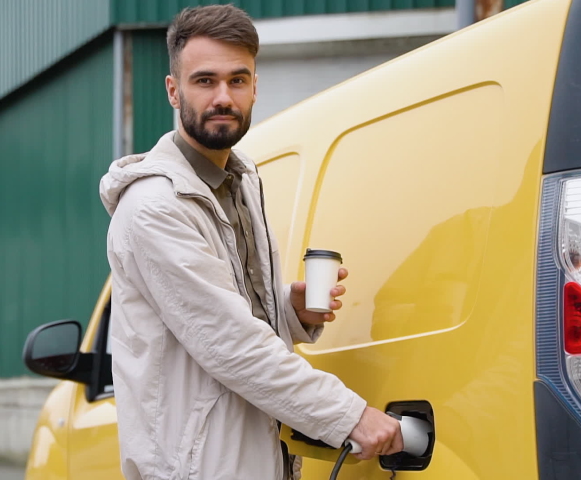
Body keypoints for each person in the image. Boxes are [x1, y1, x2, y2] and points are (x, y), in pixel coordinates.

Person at [99, 5, 402, 479]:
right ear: (173, 91)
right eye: (205, 81)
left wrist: (286, 309)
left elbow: (221, 312)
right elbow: (231, 343)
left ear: (255, 87)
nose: (224, 96)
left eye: (238, 80)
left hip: (253, 457)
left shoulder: (239, 182)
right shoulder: (156, 207)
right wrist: (351, 417)